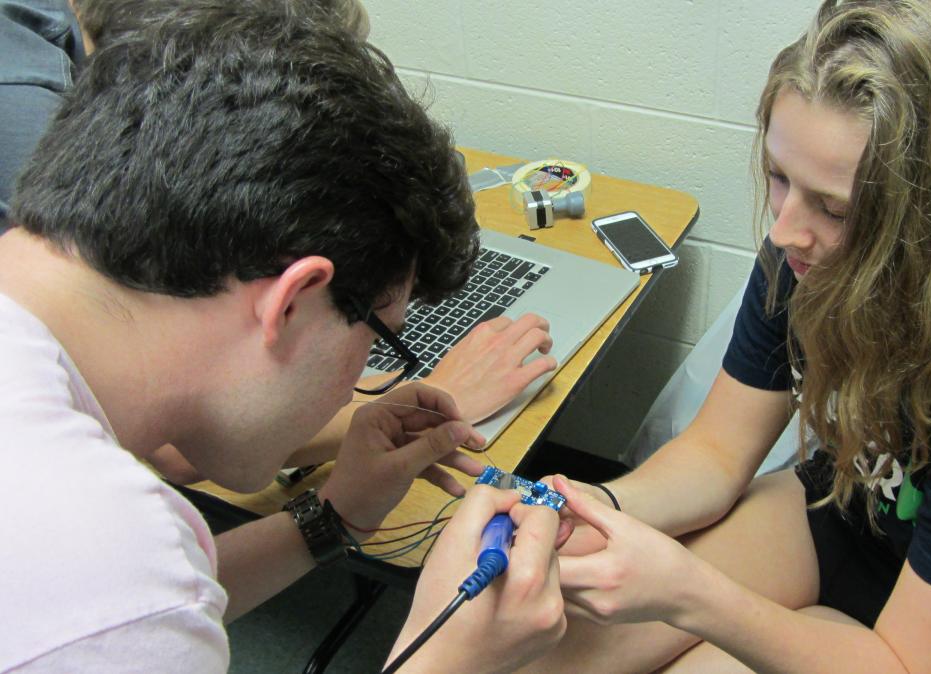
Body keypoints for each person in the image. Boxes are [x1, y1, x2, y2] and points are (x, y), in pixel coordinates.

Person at [525, 1, 931, 672]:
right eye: (780, 177)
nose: (783, 232)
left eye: (835, 208)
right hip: (856, 513)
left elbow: (904, 663)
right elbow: (719, 451)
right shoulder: (807, 252)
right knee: (553, 649)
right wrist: (595, 504)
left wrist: (689, 595)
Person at [0, 2, 564, 671]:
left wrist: (337, 516)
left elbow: (167, 603)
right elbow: (131, 612)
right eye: (381, 337)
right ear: (292, 302)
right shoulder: (109, 563)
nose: (367, 372)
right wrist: (451, 661)